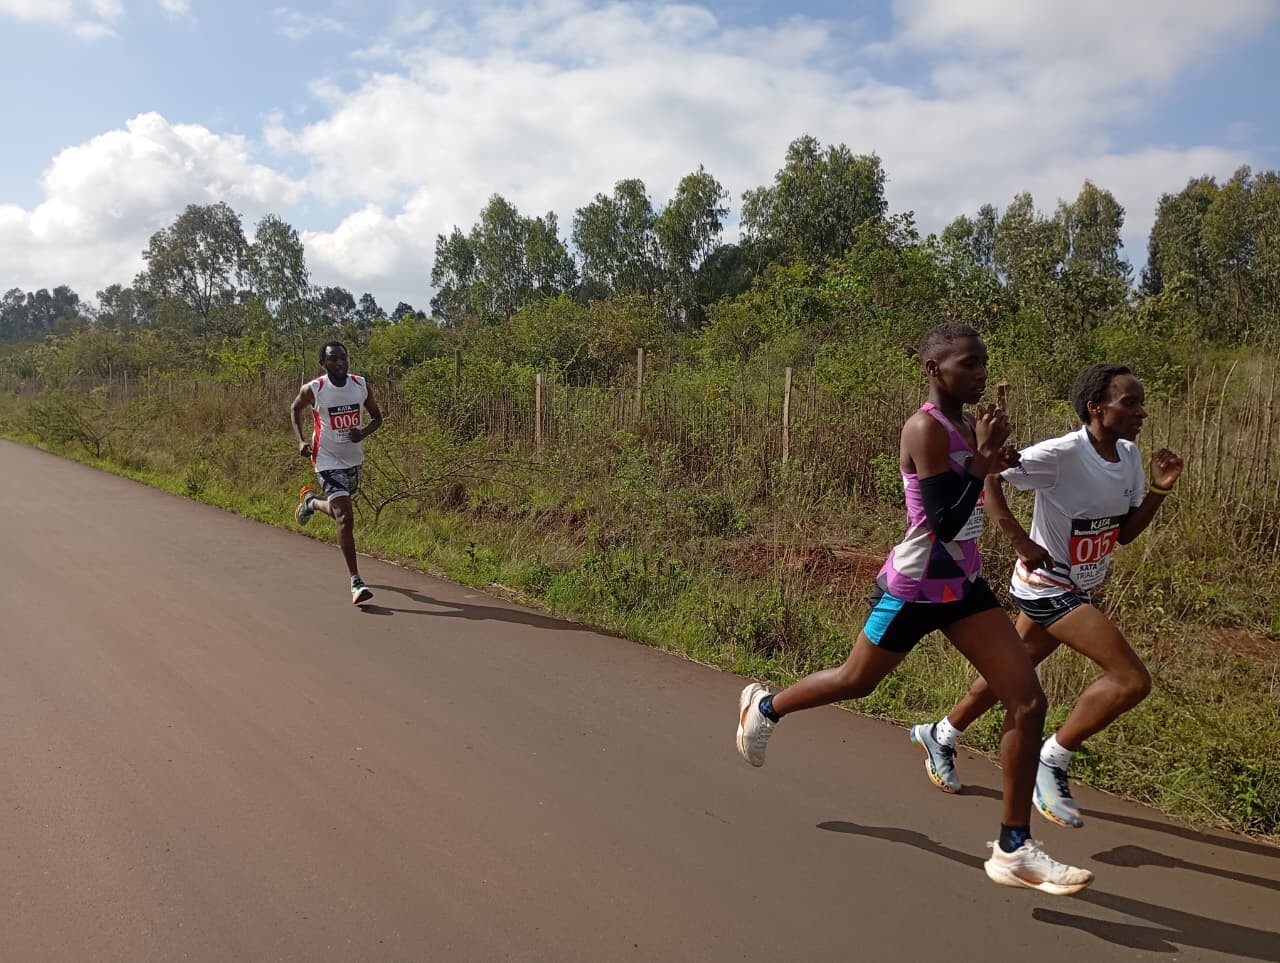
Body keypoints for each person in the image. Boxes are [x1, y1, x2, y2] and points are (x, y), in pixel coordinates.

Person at [736, 322, 1093, 896]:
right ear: (934, 369)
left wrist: (993, 460)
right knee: (856, 681)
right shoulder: (925, 428)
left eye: (983, 362)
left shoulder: (967, 425)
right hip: (917, 586)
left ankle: (1014, 847)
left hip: (965, 587)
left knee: (1028, 701)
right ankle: (766, 707)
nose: (980, 373)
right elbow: (943, 521)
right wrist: (981, 459)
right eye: (968, 364)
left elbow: (974, 489)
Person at [909, 363, 1183, 828]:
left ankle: (942, 732)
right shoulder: (1061, 454)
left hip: (1079, 585)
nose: (1141, 412)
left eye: (1142, 403)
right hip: (1046, 586)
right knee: (1131, 679)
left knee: (1012, 670)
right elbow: (991, 476)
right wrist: (1019, 539)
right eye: (1130, 402)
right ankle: (1052, 757)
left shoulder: (1129, 455)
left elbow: (1124, 534)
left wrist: (1158, 488)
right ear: (1097, 408)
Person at [290, 341, 384, 605]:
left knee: (337, 511)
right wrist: (300, 441)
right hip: (326, 459)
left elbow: (377, 418)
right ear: (323, 363)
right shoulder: (314, 389)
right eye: (333, 359)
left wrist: (362, 433)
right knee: (345, 517)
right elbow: (294, 409)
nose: (339, 363)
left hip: (353, 460)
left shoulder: (360, 385)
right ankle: (356, 581)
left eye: (343, 358)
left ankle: (311, 503)